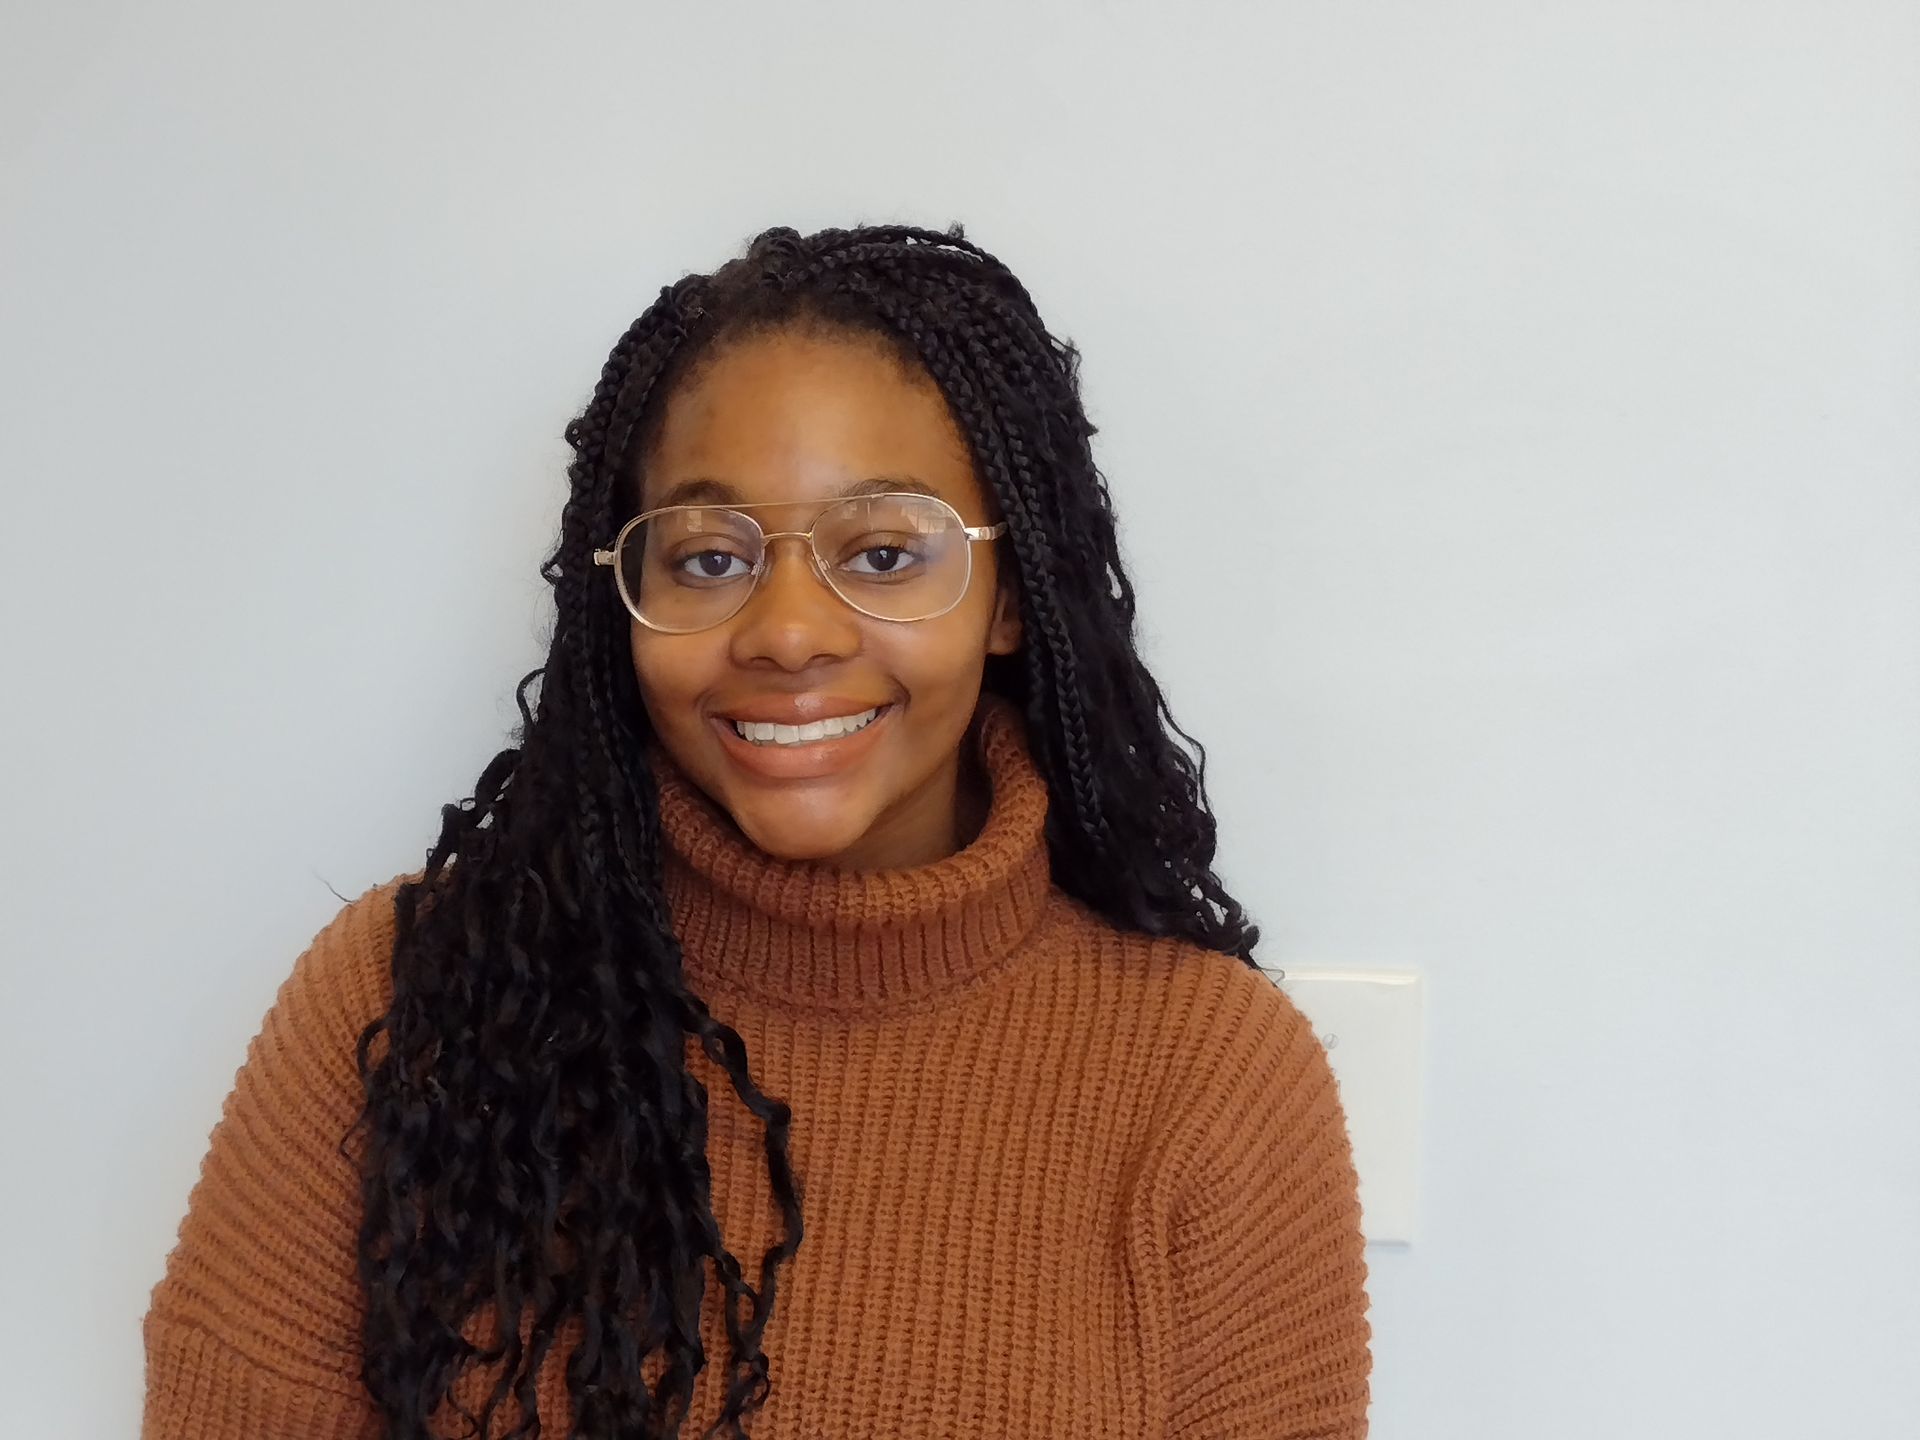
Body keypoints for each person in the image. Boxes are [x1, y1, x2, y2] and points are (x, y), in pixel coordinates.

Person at [141, 222, 1373, 1439]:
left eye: (884, 553)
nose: (788, 631)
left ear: (1009, 598)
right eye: (711, 558)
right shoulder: (406, 999)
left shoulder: (1214, 1082)